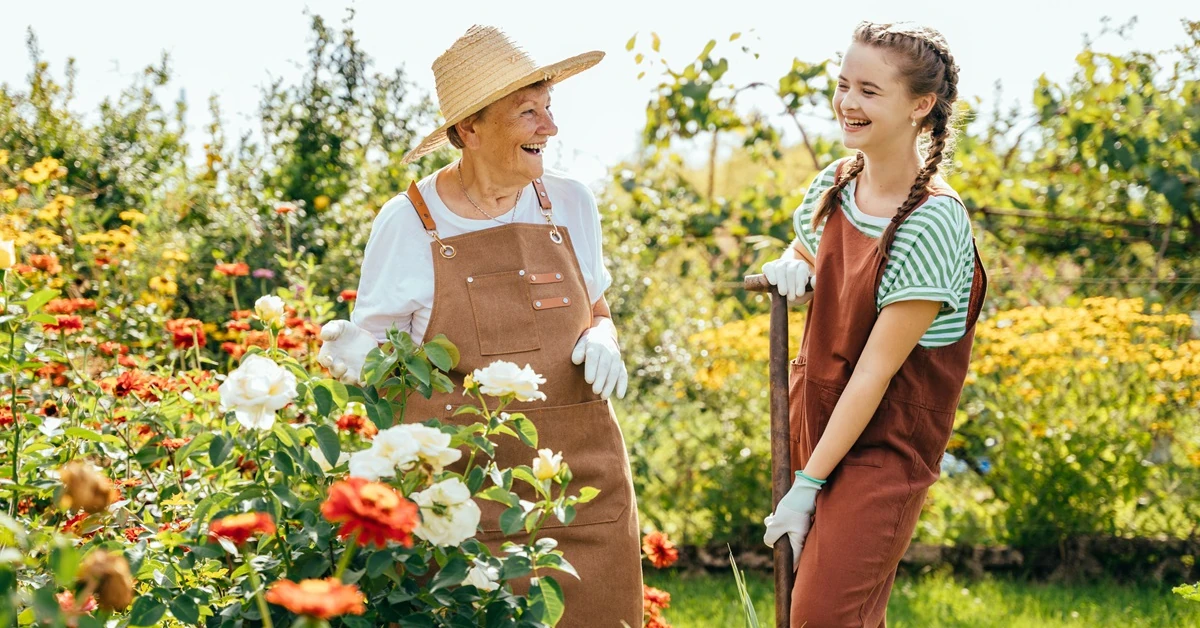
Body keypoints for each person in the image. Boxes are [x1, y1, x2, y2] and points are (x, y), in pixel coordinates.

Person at [316, 25, 641, 627]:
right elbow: (379, 364)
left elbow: (598, 307)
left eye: (549, 109)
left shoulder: (570, 204)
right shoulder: (411, 223)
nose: (550, 127)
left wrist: (604, 336)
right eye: (528, 113)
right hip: (460, 502)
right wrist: (353, 353)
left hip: (578, 490)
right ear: (469, 129)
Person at [760, 21, 987, 626]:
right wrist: (790, 265)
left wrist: (809, 482)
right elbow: (808, 254)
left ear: (921, 106)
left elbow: (876, 372)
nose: (847, 103)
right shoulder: (836, 185)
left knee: (820, 616)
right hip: (816, 419)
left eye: (868, 90)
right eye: (843, 85)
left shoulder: (934, 221)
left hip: (881, 449)